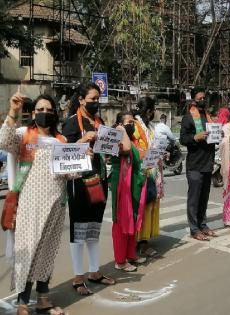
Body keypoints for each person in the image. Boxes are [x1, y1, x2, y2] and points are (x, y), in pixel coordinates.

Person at [0, 92, 88, 315]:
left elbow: (72, 174)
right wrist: (13, 111)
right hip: (30, 206)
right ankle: (22, 302)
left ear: (55, 113)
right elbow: (3, 141)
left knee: (47, 252)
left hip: (56, 206)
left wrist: (82, 157)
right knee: (28, 252)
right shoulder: (23, 135)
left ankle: (43, 300)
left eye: (49, 110)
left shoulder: (61, 141)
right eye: (40, 110)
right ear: (33, 113)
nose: (44, 113)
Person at [62, 83, 115, 296]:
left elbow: (104, 149)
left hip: (99, 180)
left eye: (97, 98)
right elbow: (63, 154)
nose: (95, 102)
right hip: (79, 183)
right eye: (92, 99)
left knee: (93, 229)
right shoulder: (72, 122)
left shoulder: (99, 121)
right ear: (82, 100)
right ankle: (77, 277)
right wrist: (83, 142)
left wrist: (112, 147)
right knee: (79, 230)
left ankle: (94, 272)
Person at [110, 111, 146, 272]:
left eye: (133, 122)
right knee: (120, 219)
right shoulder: (117, 137)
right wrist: (121, 129)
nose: (132, 125)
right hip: (121, 181)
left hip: (133, 182)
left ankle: (131, 254)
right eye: (129, 122)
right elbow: (124, 149)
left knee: (133, 216)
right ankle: (120, 260)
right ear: (119, 124)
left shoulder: (132, 140)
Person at [180, 87, 216, 241]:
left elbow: (212, 136)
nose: (203, 100)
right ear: (194, 100)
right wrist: (196, 137)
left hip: (208, 163)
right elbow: (183, 139)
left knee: (204, 197)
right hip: (195, 164)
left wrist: (217, 134)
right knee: (194, 198)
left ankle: (203, 225)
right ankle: (194, 229)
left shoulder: (208, 117)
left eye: (204, 98)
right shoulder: (188, 117)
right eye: (200, 98)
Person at [133, 97, 164, 255]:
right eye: (154, 110)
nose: (154, 113)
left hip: (153, 170)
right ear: (149, 111)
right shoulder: (135, 125)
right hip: (142, 172)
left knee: (150, 205)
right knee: (143, 206)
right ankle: (141, 242)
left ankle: (145, 239)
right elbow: (132, 147)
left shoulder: (148, 126)